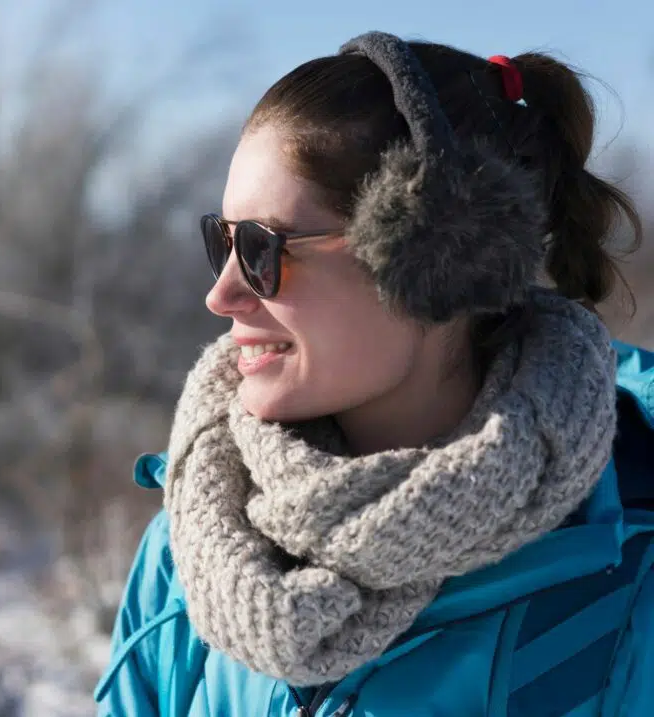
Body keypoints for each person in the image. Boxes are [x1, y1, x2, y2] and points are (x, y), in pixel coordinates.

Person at [94, 31, 654, 716]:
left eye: (263, 248)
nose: (223, 294)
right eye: (223, 242)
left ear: (439, 257)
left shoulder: (627, 586)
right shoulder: (190, 546)